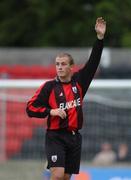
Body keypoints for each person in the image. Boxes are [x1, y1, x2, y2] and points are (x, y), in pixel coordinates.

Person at [26, 17, 106, 180]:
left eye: (63, 64)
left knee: (65, 178)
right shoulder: (49, 87)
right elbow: (30, 108)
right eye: (57, 64)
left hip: (74, 137)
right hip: (55, 136)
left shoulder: (80, 81)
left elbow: (93, 62)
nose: (60, 67)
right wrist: (51, 111)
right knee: (57, 175)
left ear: (71, 67)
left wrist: (99, 39)